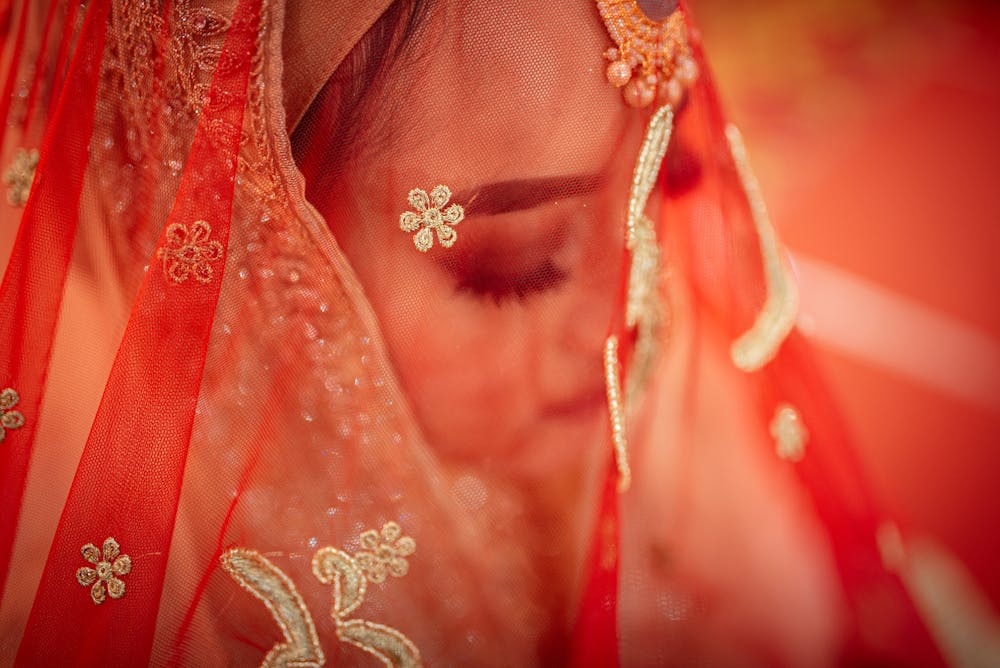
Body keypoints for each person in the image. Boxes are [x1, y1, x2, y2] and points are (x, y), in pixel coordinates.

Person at [0, 0, 982, 665]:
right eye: (519, 264)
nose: (625, 313)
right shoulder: (102, 589)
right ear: (251, 251)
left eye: (661, 187)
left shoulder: (670, 402)